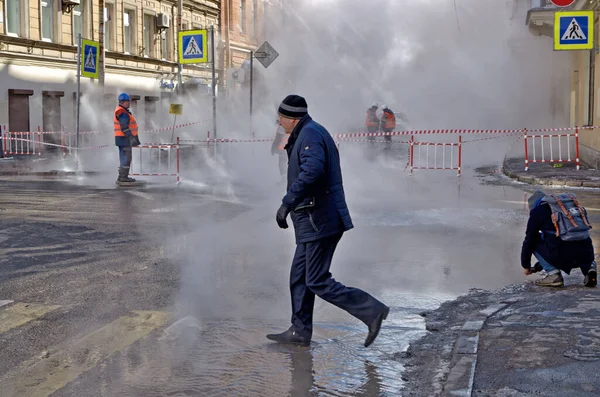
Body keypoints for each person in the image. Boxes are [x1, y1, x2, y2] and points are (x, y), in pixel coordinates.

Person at [268, 94, 390, 348]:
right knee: (299, 277)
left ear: (292, 117)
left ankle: (372, 311)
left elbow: (313, 170)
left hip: (319, 219)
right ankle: (299, 331)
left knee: (316, 279)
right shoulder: (307, 132)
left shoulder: (310, 134)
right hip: (311, 219)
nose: (278, 122)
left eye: (280, 117)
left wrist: (287, 202)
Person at [521, 190, 596, 287]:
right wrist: (537, 267)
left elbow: (529, 241)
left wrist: (526, 265)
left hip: (562, 254)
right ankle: (590, 268)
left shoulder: (537, 212)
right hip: (586, 254)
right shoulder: (573, 208)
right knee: (581, 239)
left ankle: (553, 274)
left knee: (535, 240)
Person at [114, 93, 141, 183]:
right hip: (124, 139)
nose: (129, 103)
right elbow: (124, 126)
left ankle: (122, 176)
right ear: (122, 102)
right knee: (126, 157)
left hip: (122, 139)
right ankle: (123, 177)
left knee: (124, 157)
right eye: (127, 101)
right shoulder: (122, 112)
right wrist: (131, 137)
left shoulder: (122, 111)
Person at [271, 119, 288, 183]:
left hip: (284, 147)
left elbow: (279, 136)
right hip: (290, 147)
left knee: (282, 163)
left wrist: (273, 147)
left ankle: (284, 179)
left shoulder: (282, 125)